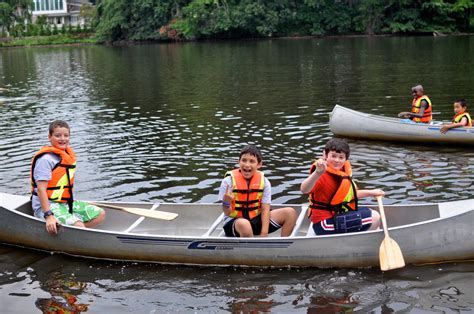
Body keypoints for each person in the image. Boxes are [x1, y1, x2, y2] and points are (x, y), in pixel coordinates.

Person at [30, 120, 105, 235]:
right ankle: (78, 231)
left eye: (66, 135)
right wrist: (48, 216)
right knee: (79, 226)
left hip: (64, 203)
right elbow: (41, 189)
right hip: (46, 206)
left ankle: (75, 233)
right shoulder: (45, 160)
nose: (62, 139)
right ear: (49, 137)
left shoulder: (67, 157)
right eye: (57, 135)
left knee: (99, 214)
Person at [300, 138, 384, 236]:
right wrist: (317, 173)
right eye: (333, 156)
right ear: (325, 155)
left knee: (369, 211)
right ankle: (360, 244)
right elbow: (304, 189)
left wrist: (371, 193)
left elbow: (351, 194)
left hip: (336, 215)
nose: (337, 160)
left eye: (341, 157)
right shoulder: (321, 174)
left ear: (345, 159)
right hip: (323, 224)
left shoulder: (342, 173)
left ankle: (360, 240)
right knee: (374, 217)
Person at [218, 145, 297, 237]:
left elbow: (265, 209)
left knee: (290, 213)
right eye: (244, 160)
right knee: (245, 224)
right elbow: (227, 212)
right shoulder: (228, 181)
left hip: (256, 219)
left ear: (259, 164)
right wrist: (226, 202)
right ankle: (251, 249)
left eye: (252, 161)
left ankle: (283, 246)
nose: (247, 165)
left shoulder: (264, 182)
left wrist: (264, 232)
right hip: (235, 222)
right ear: (238, 162)